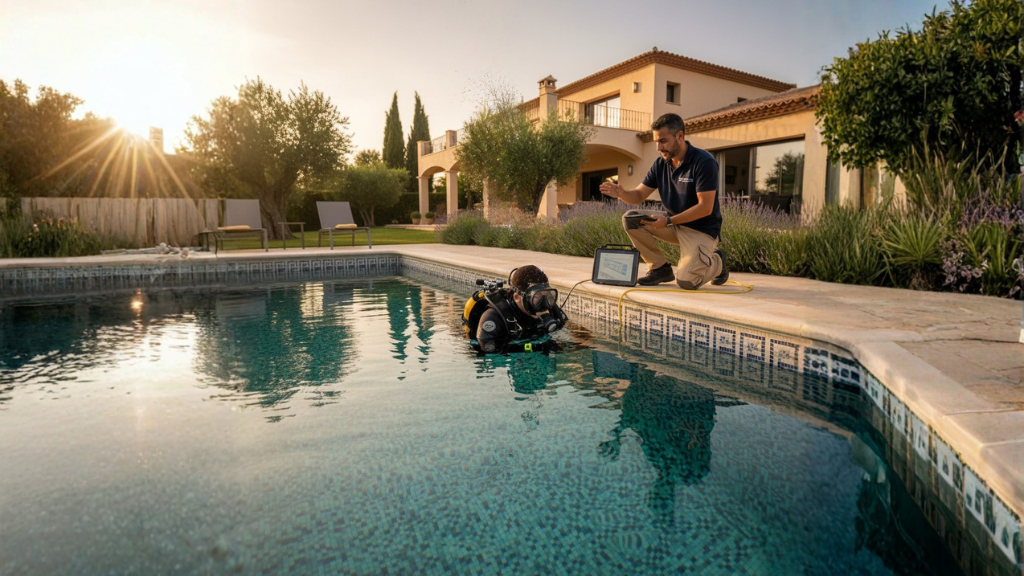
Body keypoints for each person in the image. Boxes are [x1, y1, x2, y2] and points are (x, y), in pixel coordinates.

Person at [599, 113, 729, 288]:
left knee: (687, 281)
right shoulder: (661, 164)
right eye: (656, 142)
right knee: (631, 219)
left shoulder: (704, 162)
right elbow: (638, 196)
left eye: (663, 141)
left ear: (680, 136)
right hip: (673, 225)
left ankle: (718, 261)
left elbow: (705, 207)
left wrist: (668, 221)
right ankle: (660, 268)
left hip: (701, 230)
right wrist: (621, 193)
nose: (658, 147)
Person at [462, 265, 569, 354]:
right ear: (517, 297)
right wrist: (534, 348)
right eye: (537, 296)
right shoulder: (493, 318)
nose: (544, 303)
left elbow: (569, 332)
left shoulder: (547, 306)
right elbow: (490, 352)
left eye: (547, 294)